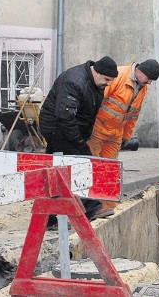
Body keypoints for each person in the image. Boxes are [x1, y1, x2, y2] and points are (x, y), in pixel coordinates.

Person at [39, 56, 118, 223]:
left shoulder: (96, 82)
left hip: (70, 127)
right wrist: (79, 143)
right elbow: (65, 117)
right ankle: (92, 208)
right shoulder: (74, 81)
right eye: (106, 80)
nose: (108, 84)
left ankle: (49, 216)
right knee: (81, 163)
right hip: (56, 127)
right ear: (96, 72)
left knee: (56, 170)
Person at [88, 59, 159, 161]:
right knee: (92, 166)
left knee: (110, 170)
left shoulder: (143, 88)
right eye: (149, 78)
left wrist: (126, 136)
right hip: (97, 131)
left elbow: (134, 114)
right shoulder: (118, 75)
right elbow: (95, 101)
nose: (149, 82)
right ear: (140, 71)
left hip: (115, 135)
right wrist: (87, 128)